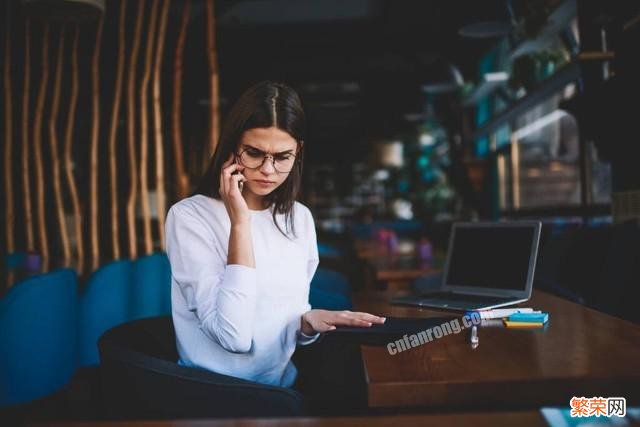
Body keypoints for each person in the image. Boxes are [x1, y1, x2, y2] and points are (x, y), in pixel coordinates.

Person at [165, 81, 385, 393]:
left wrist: (308, 323)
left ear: (298, 153)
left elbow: (285, 318)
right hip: (215, 395)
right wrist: (240, 223)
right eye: (254, 153)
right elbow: (234, 337)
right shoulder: (189, 217)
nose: (268, 170)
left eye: (282, 156)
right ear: (231, 149)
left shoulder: (299, 218)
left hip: (282, 390)